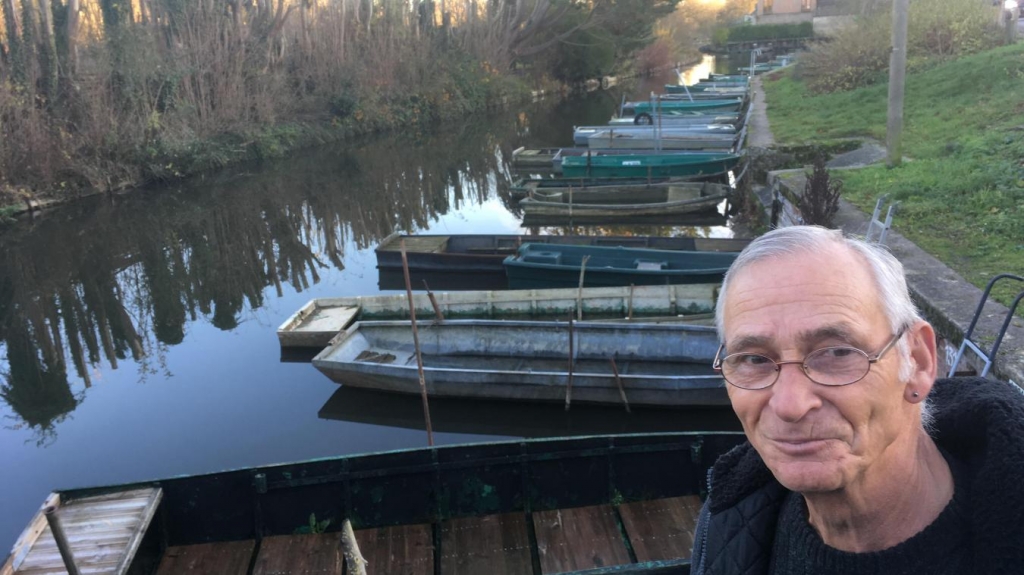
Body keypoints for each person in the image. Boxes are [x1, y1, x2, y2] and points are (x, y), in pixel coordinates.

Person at [690, 225, 1024, 575]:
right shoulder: (727, 518)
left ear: (919, 362)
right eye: (754, 360)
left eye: (836, 353)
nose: (790, 405)